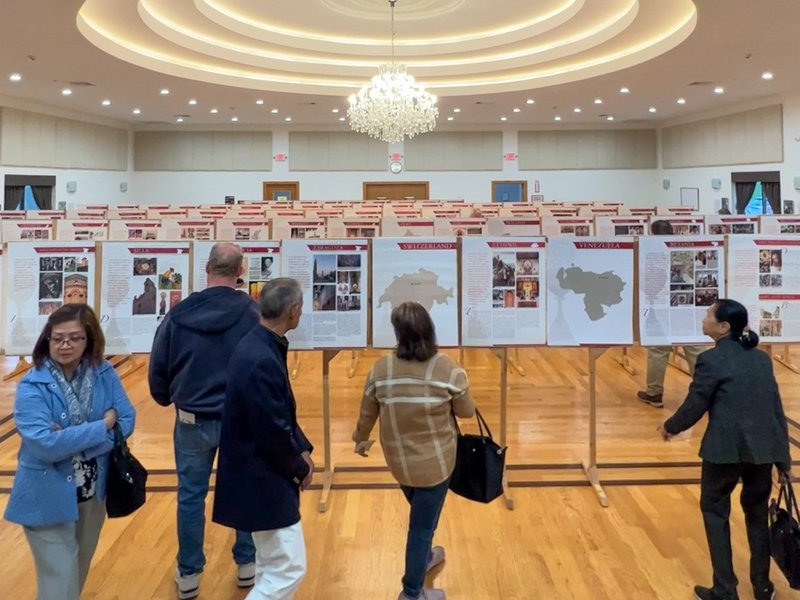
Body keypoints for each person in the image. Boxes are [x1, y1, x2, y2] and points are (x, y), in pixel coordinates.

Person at [659, 299, 791, 600]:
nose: (703, 318)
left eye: (709, 314)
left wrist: (670, 427)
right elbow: (775, 410)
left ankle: (725, 589)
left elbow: (696, 403)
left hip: (724, 451)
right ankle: (762, 586)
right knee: (757, 513)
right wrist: (783, 460)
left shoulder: (711, 360)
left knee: (715, 511)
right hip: (762, 450)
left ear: (723, 327)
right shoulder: (761, 360)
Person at [149, 242, 260, 599]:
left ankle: (190, 574)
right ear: (240, 271)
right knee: (243, 491)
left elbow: (158, 367)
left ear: (206, 268)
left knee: (191, 497)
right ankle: (246, 563)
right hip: (240, 420)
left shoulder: (178, 314)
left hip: (191, 420)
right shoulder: (253, 313)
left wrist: (167, 398)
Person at [4, 304, 136, 600]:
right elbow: (45, 445)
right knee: (59, 583)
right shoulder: (31, 385)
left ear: (89, 339)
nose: (65, 345)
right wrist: (103, 425)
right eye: (57, 338)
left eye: (74, 338)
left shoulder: (103, 372)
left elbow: (126, 421)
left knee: (75, 577)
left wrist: (71, 438)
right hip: (45, 497)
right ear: (46, 341)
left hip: (93, 493)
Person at [353, 302, 476, 600]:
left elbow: (367, 413)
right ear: (429, 329)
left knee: (422, 515)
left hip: (399, 463)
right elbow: (467, 412)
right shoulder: (447, 368)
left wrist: (360, 438)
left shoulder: (380, 369)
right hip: (436, 465)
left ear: (398, 333)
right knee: (421, 527)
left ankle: (422, 559)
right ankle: (411, 591)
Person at [213, 277, 314, 600]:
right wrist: (299, 465)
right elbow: (270, 428)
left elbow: (277, 413)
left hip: (257, 473)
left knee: (270, 566)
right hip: (262, 477)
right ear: (293, 311)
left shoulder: (259, 344)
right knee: (288, 568)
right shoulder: (261, 358)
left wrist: (302, 446)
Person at [638, 219, 707, 407]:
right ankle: (704, 394)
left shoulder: (651, 252)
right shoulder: (686, 251)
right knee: (694, 349)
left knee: (658, 350)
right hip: (687, 308)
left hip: (660, 307)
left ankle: (654, 393)